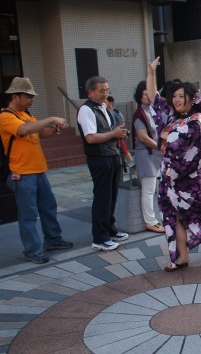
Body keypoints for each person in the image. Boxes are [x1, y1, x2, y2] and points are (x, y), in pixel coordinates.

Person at [146, 57, 201, 272]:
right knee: (171, 216)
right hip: (168, 176)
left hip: (188, 177)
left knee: (194, 214)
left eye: (181, 96)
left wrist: (176, 170)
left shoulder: (197, 120)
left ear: (192, 99)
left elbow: (194, 153)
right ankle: (181, 256)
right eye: (174, 96)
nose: (176, 100)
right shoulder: (171, 117)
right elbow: (153, 99)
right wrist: (151, 74)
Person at [0, 77, 74, 264]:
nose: (31, 100)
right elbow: (24, 130)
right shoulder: (5, 116)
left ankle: (53, 239)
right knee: (28, 214)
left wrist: (53, 129)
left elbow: (39, 132)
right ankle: (32, 249)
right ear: (15, 96)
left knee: (48, 207)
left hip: (38, 170)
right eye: (28, 96)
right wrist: (50, 119)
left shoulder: (27, 114)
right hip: (21, 173)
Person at [77, 76, 130, 251]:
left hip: (112, 155)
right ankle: (99, 237)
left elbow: (109, 131)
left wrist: (119, 134)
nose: (105, 93)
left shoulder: (103, 107)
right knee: (102, 197)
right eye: (102, 90)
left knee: (112, 195)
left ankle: (110, 228)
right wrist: (114, 134)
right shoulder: (86, 110)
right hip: (99, 158)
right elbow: (91, 138)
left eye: (107, 90)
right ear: (90, 92)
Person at [131, 81, 163, 233]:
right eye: (145, 94)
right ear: (139, 96)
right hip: (146, 154)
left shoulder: (153, 110)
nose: (148, 97)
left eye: (149, 94)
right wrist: (161, 147)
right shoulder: (139, 113)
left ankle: (156, 217)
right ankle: (150, 221)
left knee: (157, 189)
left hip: (155, 154)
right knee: (149, 190)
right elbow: (143, 137)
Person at [105, 96, 133, 164]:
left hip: (116, 134)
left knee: (124, 149)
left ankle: (131, 164)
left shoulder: (115, 112)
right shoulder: (104, 112)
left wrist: (116, 129)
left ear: (110, 102)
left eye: (106, 101)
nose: (104, 103)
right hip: (108, 134)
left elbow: (122, 123)